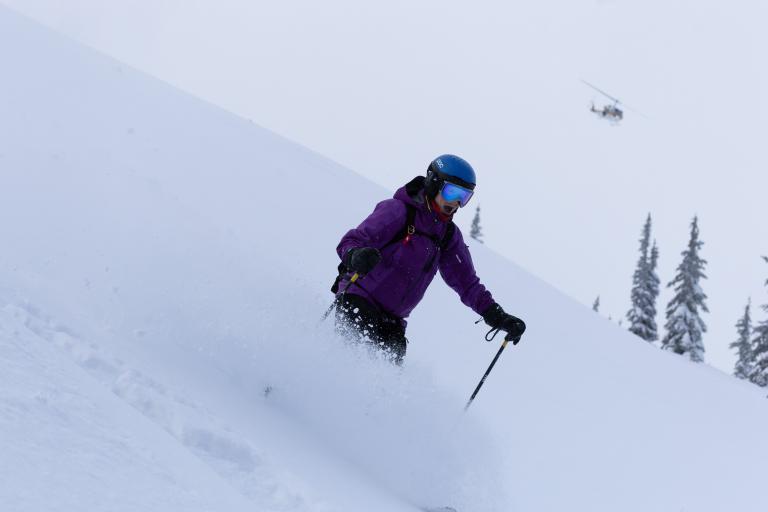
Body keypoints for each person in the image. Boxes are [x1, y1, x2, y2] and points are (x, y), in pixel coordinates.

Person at [332, 154, 526, 363]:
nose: (456, 203)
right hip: (360, 300)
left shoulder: (448, 236)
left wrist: (497, 316)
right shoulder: (398, 211)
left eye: (464, 197)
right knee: (350, 362)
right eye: (452, 192)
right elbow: (350, 241)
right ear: (434, 183)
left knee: (385, 380)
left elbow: (467, 283)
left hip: (394, 323)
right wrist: (355, 255)